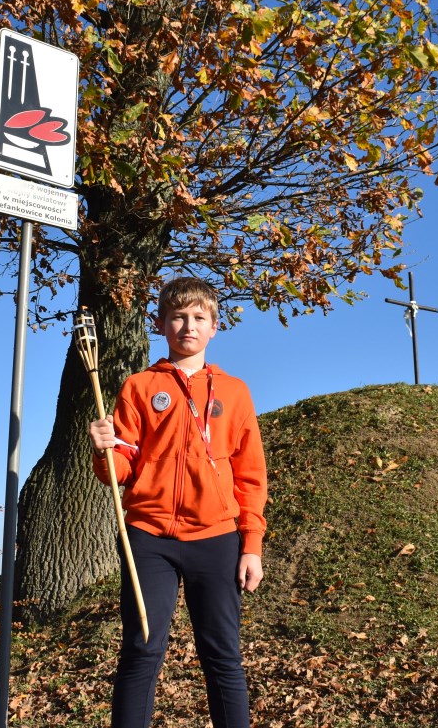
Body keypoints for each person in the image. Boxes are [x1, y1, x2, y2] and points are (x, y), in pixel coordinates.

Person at [89, 276, 267, 728]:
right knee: (141, 649)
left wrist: (252, 546)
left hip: (217, 537)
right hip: (148, 537)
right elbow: (122, 469)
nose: (188, 325)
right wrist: (105, 449)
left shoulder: (236, 391)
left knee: (222, 654)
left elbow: (250, 476)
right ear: (161, 325)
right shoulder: (139, 386)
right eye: (178, 317)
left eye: (198, 318)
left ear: (213, 327)